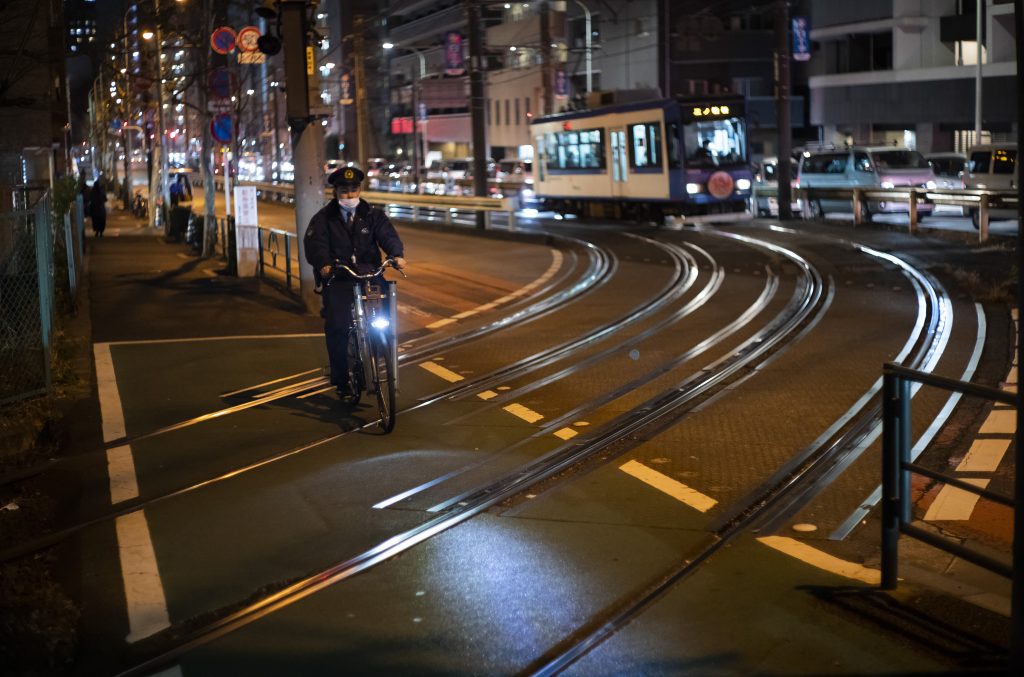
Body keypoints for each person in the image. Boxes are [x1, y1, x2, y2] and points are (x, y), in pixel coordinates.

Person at [303, 166, 407, 400]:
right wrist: (324, 264)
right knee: (338, 326)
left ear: (359, 189)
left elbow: (388, 236)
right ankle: (342, 379)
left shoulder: (373, 215)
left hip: (369, 275)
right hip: (339, 278)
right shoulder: (323, 219)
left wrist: (397, 255)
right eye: (344, 191)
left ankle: (379, 355)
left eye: (353, 190)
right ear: (335, 192)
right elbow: (315, 245)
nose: (350, 196)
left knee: (385, 322)